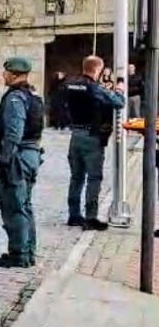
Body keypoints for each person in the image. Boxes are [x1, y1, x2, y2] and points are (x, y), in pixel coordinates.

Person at [0, 58, 45, 269]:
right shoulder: (33, 94)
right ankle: (28, 251)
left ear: (13, 74)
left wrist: (6, 159)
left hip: (19, 155)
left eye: (5, 72)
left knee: (14, 205)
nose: (3, 75)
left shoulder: (15, 98)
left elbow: (14, 131)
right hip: (31, 153)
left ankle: (19, 253)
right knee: (25, 205)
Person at [64, 56, 125, 231]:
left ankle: (74, 215)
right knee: (94, 178)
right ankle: (91, 217)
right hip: (91, 136)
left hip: (75, 135)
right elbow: (118, 102)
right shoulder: (94, 87)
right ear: (97, 70)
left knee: (76, 177)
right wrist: (119, 88)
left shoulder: (71, 84)